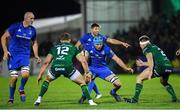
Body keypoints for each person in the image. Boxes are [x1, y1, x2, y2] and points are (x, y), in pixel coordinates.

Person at [34, 33, 97, 106]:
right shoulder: (73, 47)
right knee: (82, 83)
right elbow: (83, 61)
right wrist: (87, 72)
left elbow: (46, 62)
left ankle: (38, 99)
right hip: (67, 67)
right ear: (69, 40)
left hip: (56, 67)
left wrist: (40, 75)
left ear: (60, 40)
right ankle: (90, 101)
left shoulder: (54, 48)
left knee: (47, 80)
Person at [75, 23, 131, 100]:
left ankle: (112, 92)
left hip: (102, 68)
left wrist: (121, 43)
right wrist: (77, 55)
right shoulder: (86, 38)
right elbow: (76, 46)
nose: (97, 30)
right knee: (87, 80)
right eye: (96, 29)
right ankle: (84, 96)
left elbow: (111, 41)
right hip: (89, 65)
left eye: (98, 29)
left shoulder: (103, 42)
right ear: (92, 29)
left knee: (118, 84)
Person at [1, 12, 41, 104]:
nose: (33, 20)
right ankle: (11, 98)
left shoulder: (33, 30)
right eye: (31, 18)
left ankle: (21, 88)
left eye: (33, 18)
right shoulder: (15, 27)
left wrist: (36, 55)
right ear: (26, 18)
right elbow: (3, 37)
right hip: (13, 56)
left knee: (26, 75)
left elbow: (34, 43)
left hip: (24, 55)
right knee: (14, 79)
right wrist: (5, 51)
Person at [124, 35, 177, 103]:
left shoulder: (147, 48)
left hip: (160, 67)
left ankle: (135, 99)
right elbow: (156, 60)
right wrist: (143, 63)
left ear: (143, 44)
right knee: (163, 82)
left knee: (139, 78)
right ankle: (174, 97)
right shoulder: (154, 47)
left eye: (140, 44)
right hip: (169, 67)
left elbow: (151, 60)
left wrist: (150, 71)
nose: (140, 46)